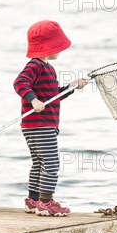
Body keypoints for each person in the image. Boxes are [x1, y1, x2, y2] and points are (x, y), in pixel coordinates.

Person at [14, 20, 87, 217]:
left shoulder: (47, 68)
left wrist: (71, 86)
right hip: (40, 124)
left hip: (35, 125)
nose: (60, 51)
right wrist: (33, 99)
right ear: (49, 47)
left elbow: (54, 95)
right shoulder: (35, 66)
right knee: (52, 163)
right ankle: (45, 203)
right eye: (58, 46)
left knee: (39, 162)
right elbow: (20, 83)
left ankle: (33, 200)